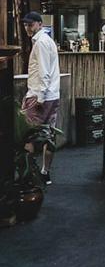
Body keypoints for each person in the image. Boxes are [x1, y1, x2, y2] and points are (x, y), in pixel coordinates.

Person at [21, 11, 60, 185]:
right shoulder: (45, 41)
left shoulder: (41, 43)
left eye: (30, 24)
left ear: (39, 24)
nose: (27, 27)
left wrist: (40, 97)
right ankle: (45, 172)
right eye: (25, 24)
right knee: (49, 135)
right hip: (50, 95)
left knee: (27, 136)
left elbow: (44, 71)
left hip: (39, 96)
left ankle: (29, 175)